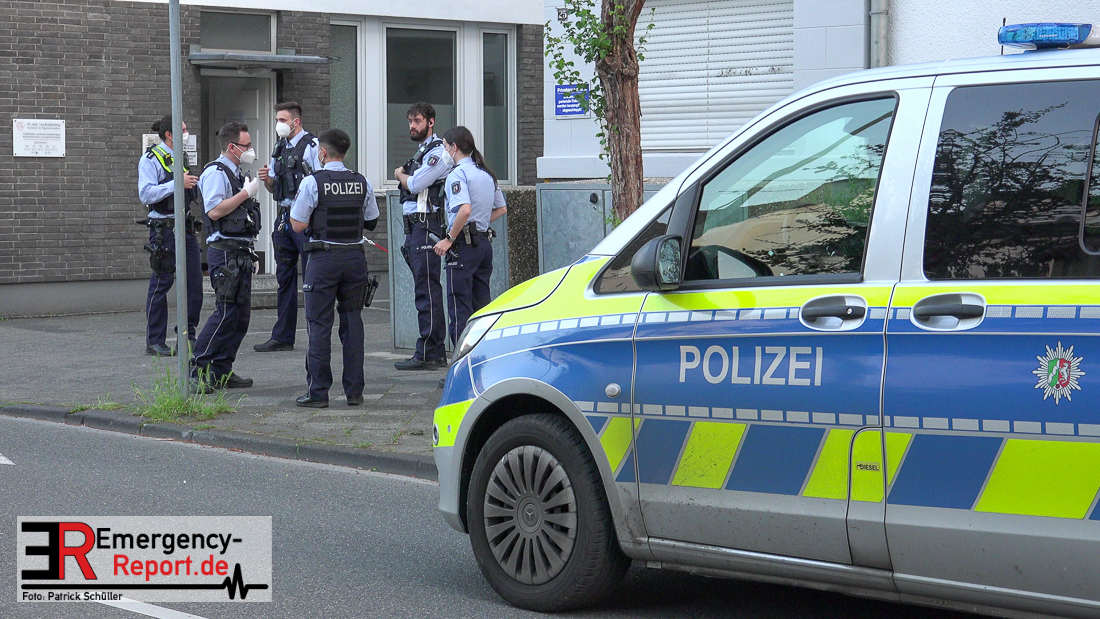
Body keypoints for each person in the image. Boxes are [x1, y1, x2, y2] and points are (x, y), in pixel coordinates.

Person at [289, 129, 379, 408]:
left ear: (322, 152)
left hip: (323, 260)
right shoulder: (361, 182)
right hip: (354, 259)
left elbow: (297, 225)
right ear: (345, 152)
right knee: (352, 324)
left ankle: (318, 393)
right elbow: (372, 221)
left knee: (319, 325)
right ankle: (354, 392)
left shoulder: (313, 182)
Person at [190, 122, 262, 393]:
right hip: (224, 253)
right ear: (232, 147)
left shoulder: (237, 173)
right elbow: (215, 211)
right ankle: (197, 369)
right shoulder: (216, 172)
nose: (250, 150)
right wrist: (245, 193)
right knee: (225, 313)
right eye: (246, 145)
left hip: (239, 251)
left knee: (240, 317)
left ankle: (221, 370)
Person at [254, 102, 321, 353]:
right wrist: (267, 179)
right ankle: (282, 336)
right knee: (284, 278)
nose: (278, 125)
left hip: (305, 221)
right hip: (284, 217)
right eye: (277, 120)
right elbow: (274, 187)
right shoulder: (279, 147)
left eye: (282, 120)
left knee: (312, 279)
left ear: (296, 121)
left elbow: (320, 182)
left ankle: (317, 336)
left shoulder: (312, 146)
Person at [433, 126, 507, 350]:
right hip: (483, 244)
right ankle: (483, 356)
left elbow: (464, 210)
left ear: (454, 147)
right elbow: (501, 209)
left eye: (445, 147)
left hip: (463, 247)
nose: (445, 152)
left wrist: (449, 238)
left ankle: (461, 362)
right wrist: (478, 222)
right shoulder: (486, 173)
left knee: (459, 309)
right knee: (481, 307)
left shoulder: (457, 174)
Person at [393, 102, 451, 371]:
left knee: (427, 290)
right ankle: (433, 351)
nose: (412, 126)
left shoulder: (437, 152)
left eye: (417, 121)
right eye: (410, 121)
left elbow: (416, 184)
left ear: (430, 122)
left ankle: (429, 351)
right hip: (417, 228)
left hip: (427, 226)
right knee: (425, 288)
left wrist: (399, 175)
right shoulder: (423, 151)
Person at [138, 115, 203, 357]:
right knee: (161, 283)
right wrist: (177, 183)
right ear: (169, 134)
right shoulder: (151, 159)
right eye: (183, 130)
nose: (187, 133)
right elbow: (146, 194)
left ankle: (188, 336)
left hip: (185, 227)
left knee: (194, 283)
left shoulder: (180, 157)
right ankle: (155, 341)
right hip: (163, 229)